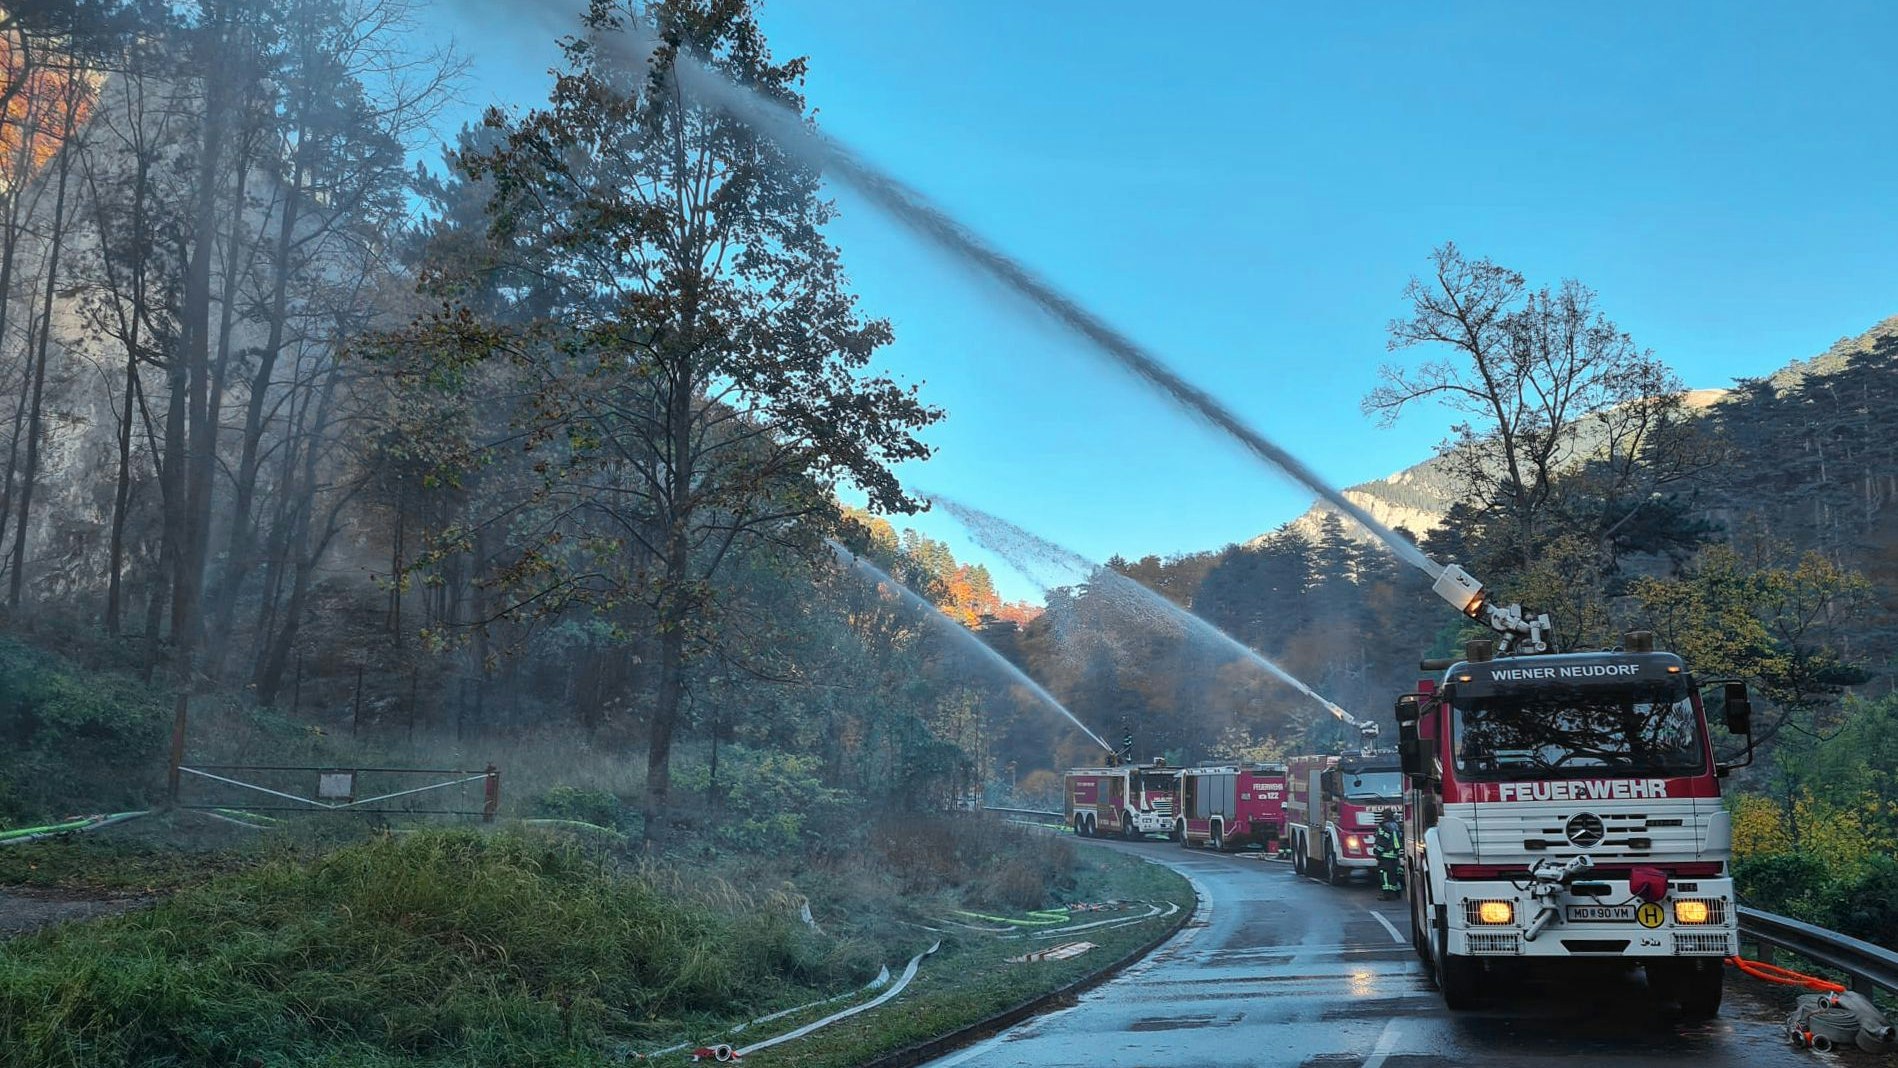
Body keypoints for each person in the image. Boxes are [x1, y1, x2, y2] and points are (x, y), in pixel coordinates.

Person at [1374, 811, 1404, 899]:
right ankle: (1397, 892)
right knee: (1395, 874)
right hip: (1395, 854)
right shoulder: (1396, 825)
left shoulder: (1384, 827)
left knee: (1385, 874)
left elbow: (1382, 840)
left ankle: (1387, 894)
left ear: (1384, 817)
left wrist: (1377, 852)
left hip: (1386, 855)